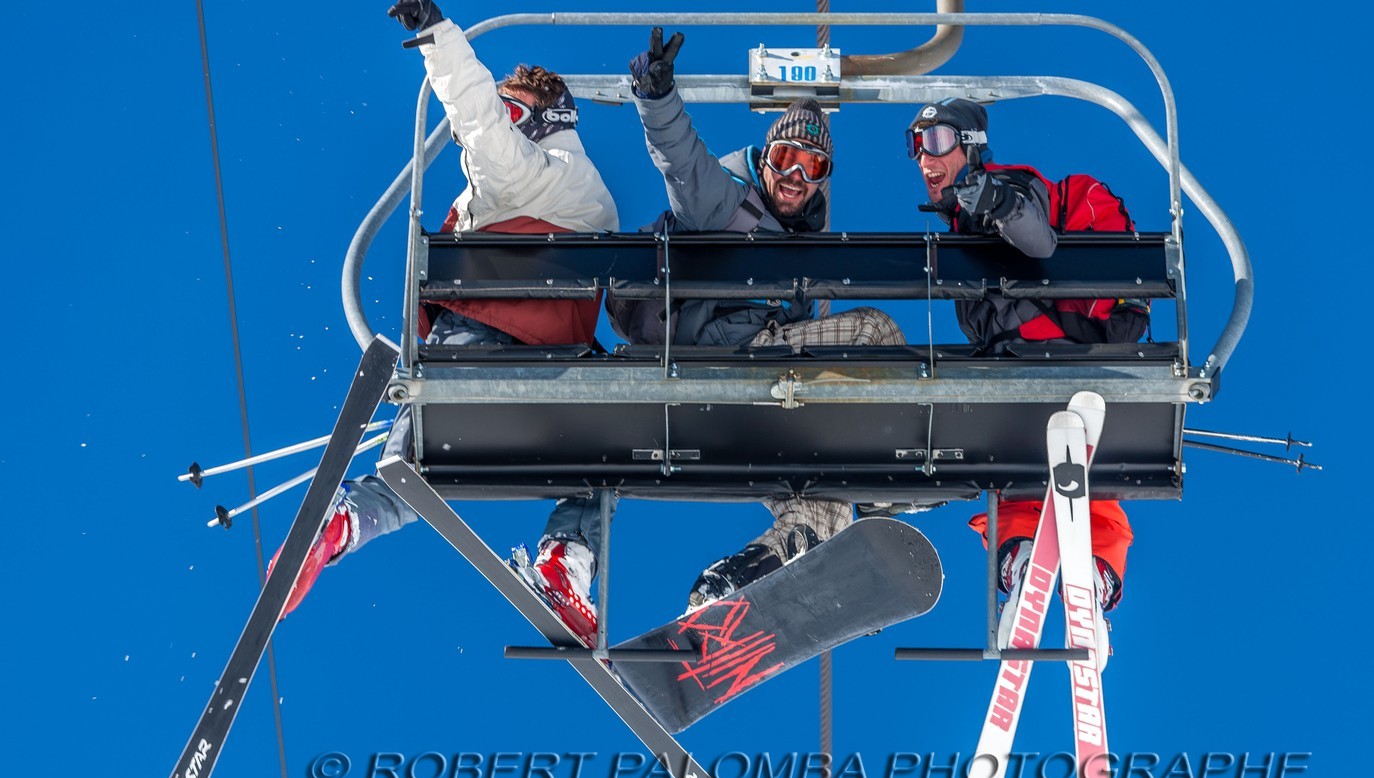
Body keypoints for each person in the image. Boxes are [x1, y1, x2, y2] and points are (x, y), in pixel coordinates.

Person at [267, 0, 621, 647]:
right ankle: (565, 562)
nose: (494, 130)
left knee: (422, 462)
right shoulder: (591, 200)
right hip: (553, 390)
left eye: (516, 113)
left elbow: (482, 126)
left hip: (476, 353)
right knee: (604, 469)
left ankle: (345, 519)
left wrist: (440, 40)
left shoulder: (530, 171)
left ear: (545, 120)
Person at [614, 27, 907, 610]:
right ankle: (889, 481)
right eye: (784, 158)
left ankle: (736, 580)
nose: (794, 177)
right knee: (875, 331)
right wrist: (657, 97)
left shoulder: (809, 252)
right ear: (765, 157)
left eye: (811, 166)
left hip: (761, 395)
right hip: (725, 361)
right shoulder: (726, 202)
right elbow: (682, 163)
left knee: (824, 505)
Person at [908, 98, 1140, 626]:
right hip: (1024, 369)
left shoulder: (1007, 185)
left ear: (969, 146)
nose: (925, 157)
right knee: (1027, 479)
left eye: (939, 140)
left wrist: (995, 201)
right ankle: (1030, 565)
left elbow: (1038, 237)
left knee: (1060, 479)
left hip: (1065, 358)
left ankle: (1061, 569)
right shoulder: (961, 226)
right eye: (916, 144)